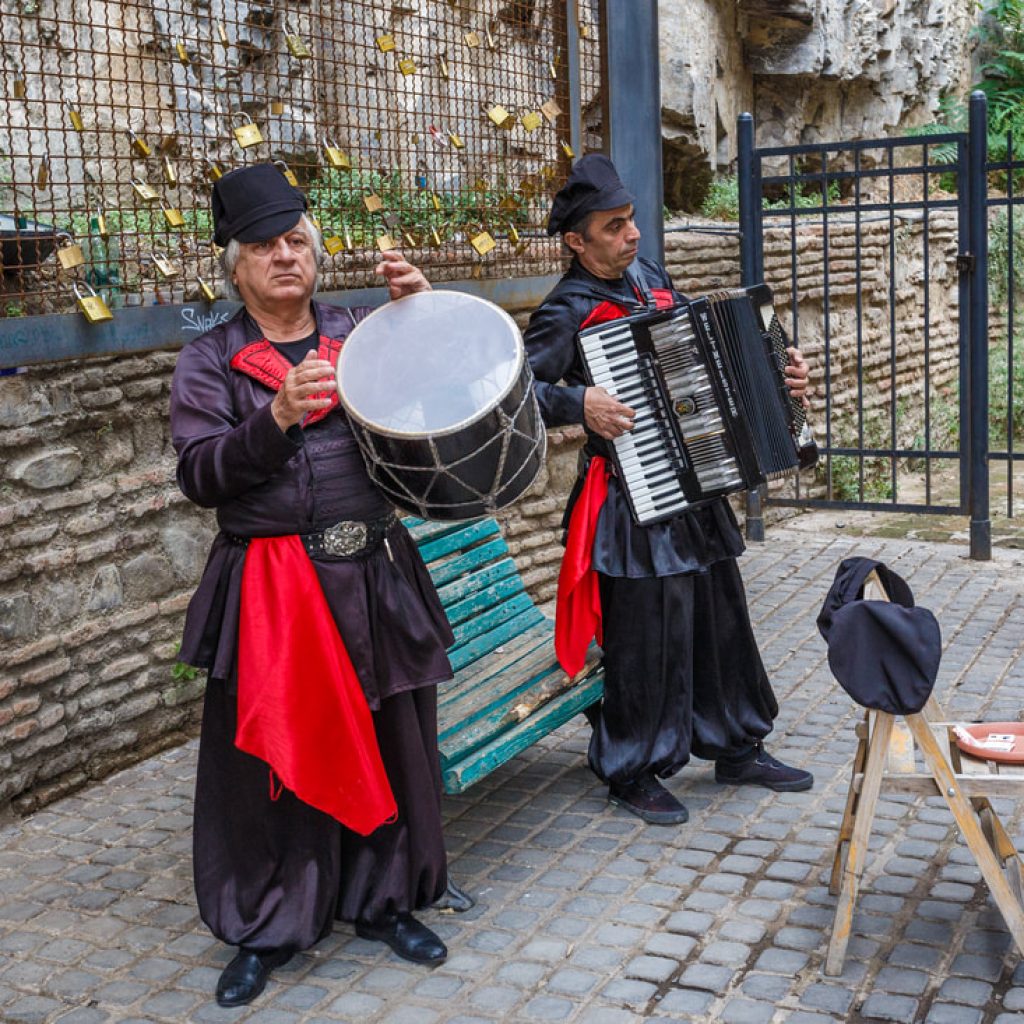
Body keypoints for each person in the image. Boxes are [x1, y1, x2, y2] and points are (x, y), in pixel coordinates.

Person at [170, 164, 458, 1007]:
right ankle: (269, 920)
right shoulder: (209, 360)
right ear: (236, 265)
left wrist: (423, 318)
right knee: (272, 765)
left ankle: (385, 900)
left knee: (392, 742)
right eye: (264, 246)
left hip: (372, 571)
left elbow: (437, 402)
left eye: (297, 241)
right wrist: (276, 419)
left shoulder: (362, 331)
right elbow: (199, 474)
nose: (284, 256)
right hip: (274, 590)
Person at [524, 153, 814, 827]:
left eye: (631, 221)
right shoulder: (565, 311)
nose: (632, 235)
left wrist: (780, 370)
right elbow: (515, 394)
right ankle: (633, 767)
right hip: (629, 498)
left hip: (696, 487)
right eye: (614, 226)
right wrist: (578, 404)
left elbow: (716, 347)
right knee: (645, 639)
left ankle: (737, 744)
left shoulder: (648, 278)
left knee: (721, 620)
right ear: (576, 240)